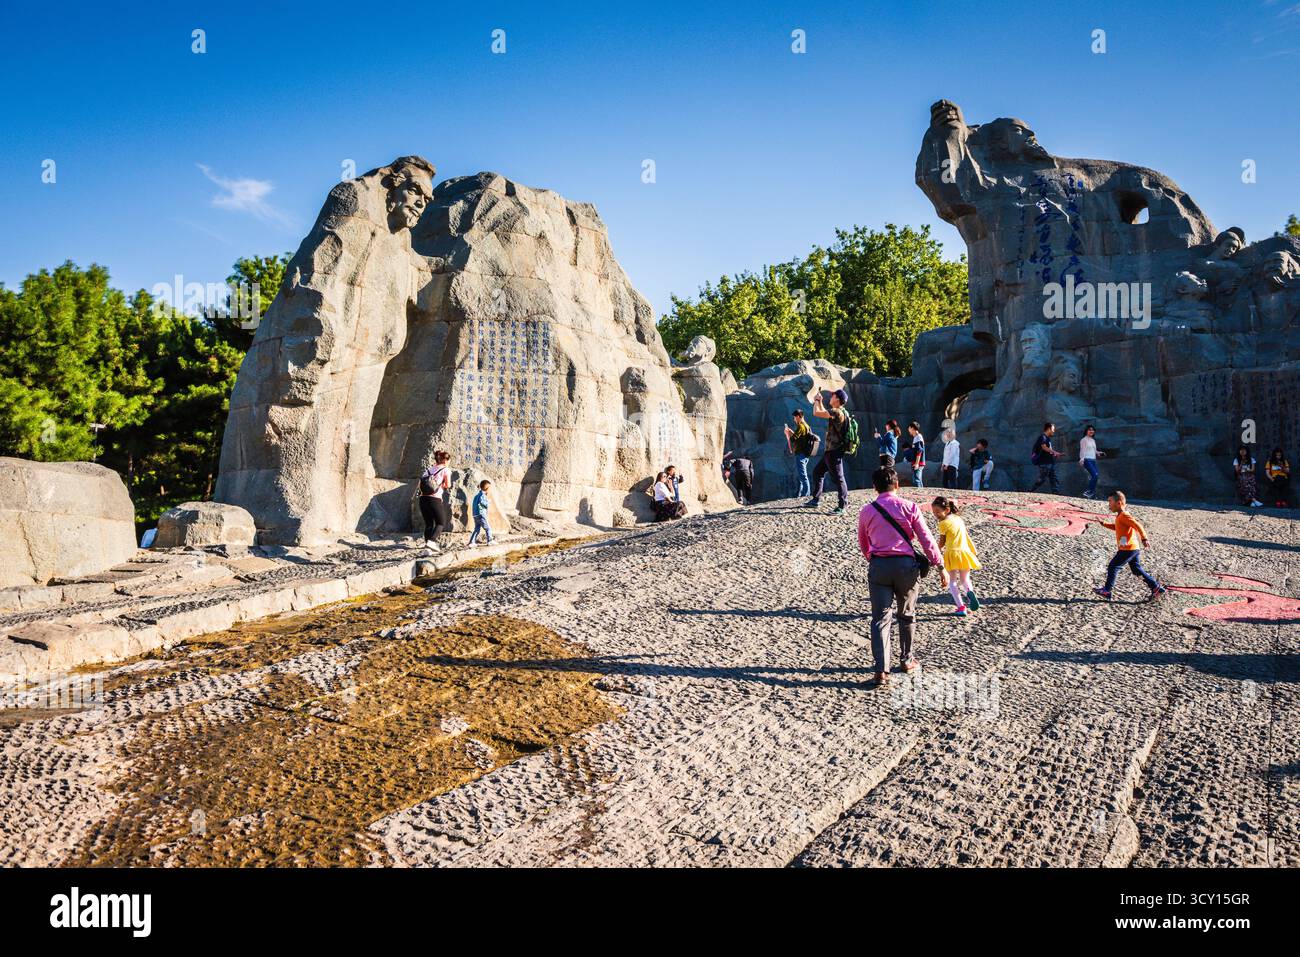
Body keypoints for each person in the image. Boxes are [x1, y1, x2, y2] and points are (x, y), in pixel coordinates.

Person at [858, 467, 943, 688]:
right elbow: (926, 539)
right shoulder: (910, 507)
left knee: (880, 619)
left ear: (874, 487)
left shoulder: (867, 511)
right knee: (906, 614)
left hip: (879, 567)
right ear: (897, 485)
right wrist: (939, 565)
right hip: (906, 568)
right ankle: (906, 660)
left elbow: (863, 542)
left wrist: (873, 557)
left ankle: (881, 671)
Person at [1093, 491, 1166, 601]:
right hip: (1132, 548)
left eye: (1110, 501)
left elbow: (1138, 525)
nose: (1108, 504)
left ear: (1119, 503)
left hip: (1127, 549)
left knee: (1113, 566)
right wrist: (1104, 524)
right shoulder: (1120, 516)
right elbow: (1117, 527)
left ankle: (1107, 590)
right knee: (1136, 570)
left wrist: (1144, 538)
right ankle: (1156, 587)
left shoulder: (1124, 515)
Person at [931, 496, 981, 617]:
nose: (935, 515)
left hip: (952, 553)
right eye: (934, 512)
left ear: (947, 510)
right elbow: (966, 536)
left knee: (952, 581)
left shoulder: (943, 524)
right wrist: (973, 549)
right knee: (965, 579)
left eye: (937, 512)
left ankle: (961, 607)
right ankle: (969, 591)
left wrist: (935, 551)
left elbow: (942, 542)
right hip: (964, 552)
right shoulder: (958, 519)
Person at [805, 389, 852, 513]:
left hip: (834, 451)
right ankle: (816, 499)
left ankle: (843, 505)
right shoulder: (841, 412)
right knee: (818, 472)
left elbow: (816, 413)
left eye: (832, 396)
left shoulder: (837, 412)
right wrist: (820, 401)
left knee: (839, 478)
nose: (830, 398)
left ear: (837, 399)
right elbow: (823, 411)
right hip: (831, 451)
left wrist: (816, 400)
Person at [417, 451, 453, 551]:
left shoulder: (428, 470)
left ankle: (427, 549)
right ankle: (432, 542)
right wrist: (442, 485)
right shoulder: (446, 470)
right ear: (445, 460)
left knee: (429, 524)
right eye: (449, 460)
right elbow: (448, 485)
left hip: (423, 499)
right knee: (441, 523)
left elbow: (420, 484)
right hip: (435, 499)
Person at [783, 410, 815, 498]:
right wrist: (791, 432)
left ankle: (805, 494)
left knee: (803, 475)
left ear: (798, 417)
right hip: (805, 454)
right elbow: (799, 438)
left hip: (801, 454)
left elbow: (793, 439)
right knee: (801, 476)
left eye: (794, 418)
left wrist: (788, 433)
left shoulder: (801, 426)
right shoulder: (806, 426)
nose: (794, 420)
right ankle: (800, 494)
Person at [1029, 422, 1063, 494]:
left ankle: (1056, 493)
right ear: (1049, 429)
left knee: (1054, 478)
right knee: (1042, 479)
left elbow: (1047, 450)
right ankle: (1030, 491)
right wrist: (1055, 452)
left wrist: (1055, 454)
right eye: (1053, 429)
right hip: (1044, 463)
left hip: (1049, 462)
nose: (1054, 431)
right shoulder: (1043, 437)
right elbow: (1044, 447)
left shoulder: (1047, 438)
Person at [1078, 425, 1104, 499]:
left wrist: (1099, 453)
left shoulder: (1093, 440)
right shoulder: (1084, 440)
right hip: (1087, 459)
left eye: (1092, 430)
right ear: (1086, 431)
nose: (1091, 431)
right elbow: (1082, 450)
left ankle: (1091, 493)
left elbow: (1094, 450)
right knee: (1095, 475)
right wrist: (1082, 459)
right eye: (1089, 430)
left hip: (1093, 460)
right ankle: (1089, 492)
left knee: (1096, 476)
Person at [468, 479, 494, 545]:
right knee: (488, 528)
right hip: (481, 514)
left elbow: (475, 504)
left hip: (475, 515)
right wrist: (488, 503)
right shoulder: (483, 496)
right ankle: (490, 540)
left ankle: (472, 542)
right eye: (490, 488)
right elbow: (482, 503)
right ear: (487, 488)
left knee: (477, 529)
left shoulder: (476, 496)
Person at [901, 421, 926, 487]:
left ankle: (919, 494)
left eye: (909, 428)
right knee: (917, 480)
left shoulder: (918, 437)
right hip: (916, 462)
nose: (908, 430)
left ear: (912, 428)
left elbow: (919, 451)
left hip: (918, 463)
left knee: (916, 480)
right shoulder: (916, 438)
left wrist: (917, 463)